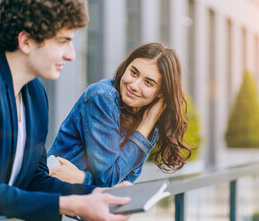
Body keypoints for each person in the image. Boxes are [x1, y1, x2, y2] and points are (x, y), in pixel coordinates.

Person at [0, 0, 131, 220]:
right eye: (63, 41)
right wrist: (71, 205)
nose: (71, 55)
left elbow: (35, 179)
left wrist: (99, 194)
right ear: (26, 41)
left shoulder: (35, 94)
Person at [47, 42, 193, 187]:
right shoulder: (102, 98)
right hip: (53, 195)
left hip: (84, 203)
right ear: (126, 66)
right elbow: (108, 181)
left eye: (148, 83)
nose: (134, 86)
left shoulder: (146, 117)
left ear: (160, 92)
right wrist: (147, 124)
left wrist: (82, 179)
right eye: (134, 73)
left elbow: (122, 185)